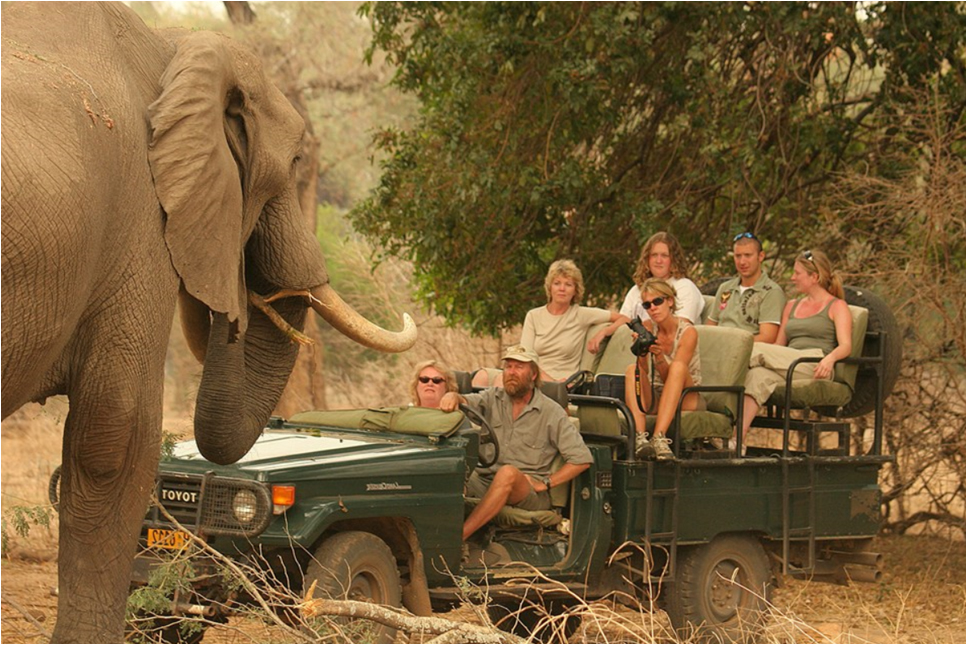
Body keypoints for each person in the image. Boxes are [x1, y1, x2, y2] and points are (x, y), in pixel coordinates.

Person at [441, 346, 593, 540]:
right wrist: (453, 396)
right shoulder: (492, 397)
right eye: (508, 367)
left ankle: (456, 539)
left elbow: (582, 459)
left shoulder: (551, 412)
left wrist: (546, 483)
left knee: (508, 473)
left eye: (519, 367)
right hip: (485, 481)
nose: (511, 372)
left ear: (533, 374)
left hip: (527, 493)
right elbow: (465, 401)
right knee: (447, 469)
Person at [740, 249, 853, 433]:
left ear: (814, 277)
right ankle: (736, 440)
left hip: (814, 363)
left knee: (755, 349)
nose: (792, 278)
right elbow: (778, 346)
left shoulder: (837, 306)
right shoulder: (792, 305)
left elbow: (846, 345)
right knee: (757, 376)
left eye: (797, 273)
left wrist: (830, 359)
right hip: (788, 363)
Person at [474, 259, 619, 387]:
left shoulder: (581, 314)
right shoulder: (534, 315)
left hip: (561, 382)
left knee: (501, 383)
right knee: (482, 377)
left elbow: (625, 318)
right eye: (557, 283)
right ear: (550, 287)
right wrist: (547, 379)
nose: (562, 288)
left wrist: (604, 332)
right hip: (530, 376)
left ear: (575, 290)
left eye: (568, 284)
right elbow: (526, 357)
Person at [623, 279, 706, 460]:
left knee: (677, 366)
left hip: (686, 395)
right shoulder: (647, 327)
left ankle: (659, 438)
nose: (653, 308)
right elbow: (643, 371)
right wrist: (642, 349)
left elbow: (674, 377)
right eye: (647, 305)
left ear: (670, 301)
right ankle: (639, 438)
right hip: (657, 394)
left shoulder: (687, 332)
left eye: (657, 301)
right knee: (632, 370)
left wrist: (660, 357)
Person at [587, 231, 704, 353]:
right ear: (647, 259)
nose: (658, 261)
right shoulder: (637, 290)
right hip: (638, 351)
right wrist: (605, 332)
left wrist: (644, 330)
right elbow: (625, 320)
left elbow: (679, 328)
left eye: (664, 255)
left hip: (672, 353)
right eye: (654, 255)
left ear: (674, 259)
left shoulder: (685, 287)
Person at [706, 232, 787, 343]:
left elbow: (768, 337)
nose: (742, 262)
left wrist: (733, 343)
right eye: (738, 256)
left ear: (761, 256)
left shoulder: (772, 292)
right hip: (717, 348)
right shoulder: (725, 288)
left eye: (748, 255)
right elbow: (710, 327)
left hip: (746, 351)